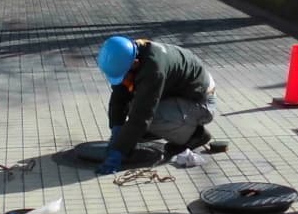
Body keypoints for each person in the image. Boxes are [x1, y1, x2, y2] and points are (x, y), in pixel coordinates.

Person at [96, 35, 228, 174]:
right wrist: (116, 127)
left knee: (148, 116)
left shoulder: (153, 70)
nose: (123, 80)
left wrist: (118, 153)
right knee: (135, 113)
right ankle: (147, 132)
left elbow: (142, 115)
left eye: (124, 76)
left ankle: (196, 135)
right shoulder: (128, 56)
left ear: (135, 64)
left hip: (202, 100)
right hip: (180, 92)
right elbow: (119, 95)